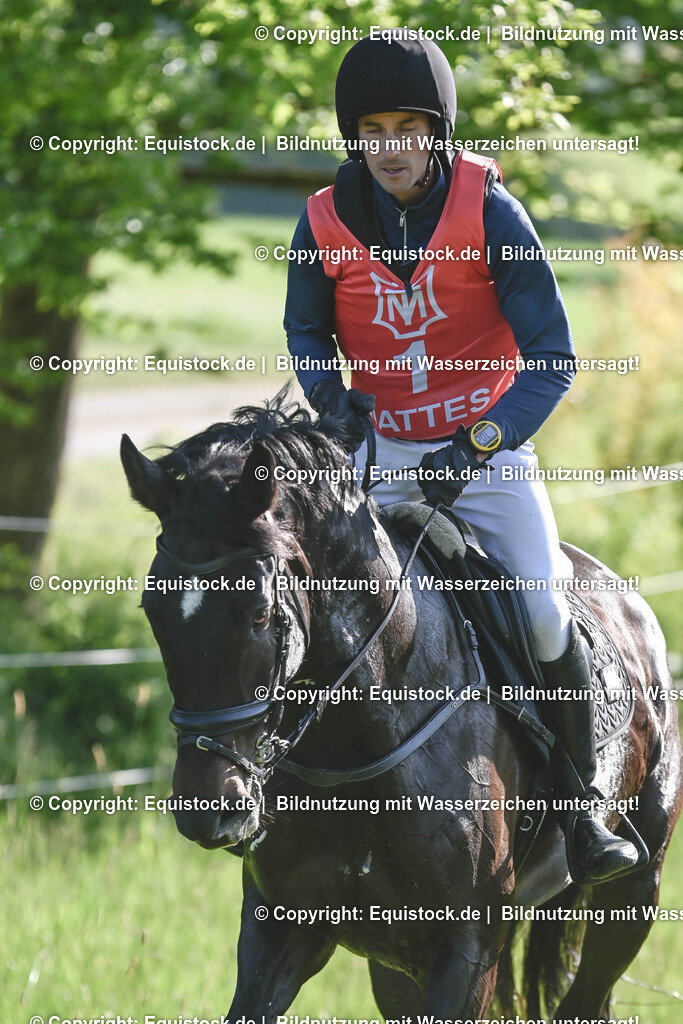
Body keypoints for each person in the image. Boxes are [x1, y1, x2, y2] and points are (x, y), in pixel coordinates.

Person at [283, 33, 639, 885]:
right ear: (354, 137)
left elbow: (551, 358)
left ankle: (582, 806)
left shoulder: (489, 212)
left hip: (485, 450)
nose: (390, 146)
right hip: (374, 452)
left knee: (545, 612)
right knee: (303, 604)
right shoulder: (322, 218)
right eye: (373, 129)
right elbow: (306, 329)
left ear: (436, 132)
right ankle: (277, 797)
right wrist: (334, 408)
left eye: (408, 127)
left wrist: (473, 446)